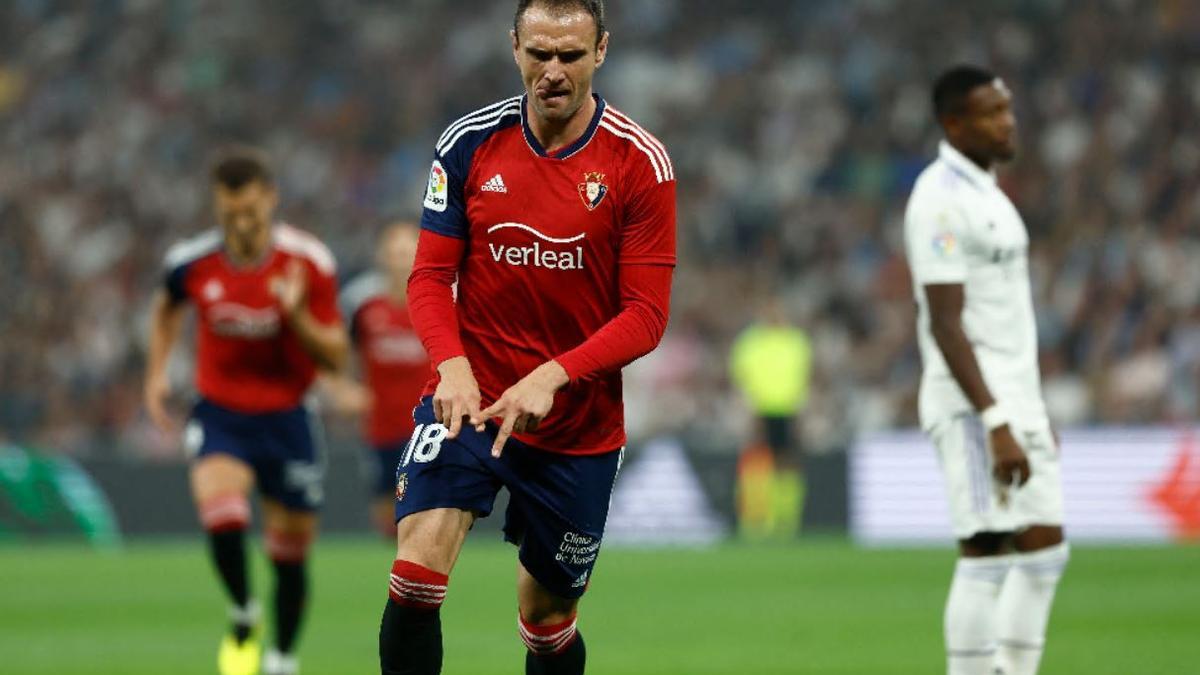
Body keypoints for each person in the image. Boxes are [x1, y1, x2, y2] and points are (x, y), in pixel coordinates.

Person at [376, 1, 676, 673]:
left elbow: (646, 315)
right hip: (470, 401)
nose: (553, 71)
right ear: (514, 47)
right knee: (416, 572)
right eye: (539, 53)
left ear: (601, 52)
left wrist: (552, 375)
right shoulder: (467, 144)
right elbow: (428, 277)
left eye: (570, 55)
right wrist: (450, 364)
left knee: (546, 621)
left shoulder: (640, 164)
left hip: (575, 428)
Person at [144, 148, 348, 675]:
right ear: (217, 206)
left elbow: (335, 356)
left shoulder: (310, 262)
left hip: (288, 418)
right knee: (222, 515)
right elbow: (167, 306)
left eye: (251, 212)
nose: (241, 224)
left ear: (271, 201)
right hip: (221, 414)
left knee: (289, 555)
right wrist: (156, 372)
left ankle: (281, 656)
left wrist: (296, 314)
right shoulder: (190, 262)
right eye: (230, 212)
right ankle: (242, 608)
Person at [903, 65, 1069, 675]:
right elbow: (945, 321)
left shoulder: (985, 191)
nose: (1008, 123)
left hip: (1015, 401)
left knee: (1046, 553)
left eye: (1008, 109)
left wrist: (1029, 410)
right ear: (954, 123)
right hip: (974, 405)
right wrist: (996, 418)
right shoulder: (939, 199)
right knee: (987, 554)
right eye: (992, 113)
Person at [327, 221, 430, 538]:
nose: (400, 260)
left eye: (406, 252)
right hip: (380, 425)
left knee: (426, 512)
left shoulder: (440, 298)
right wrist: (342, 389)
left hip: (429, 425)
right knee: (388, 517)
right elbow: (332, 349)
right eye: (393, 252)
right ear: (381, 256)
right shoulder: (361, 303)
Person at [729, 297, 812, 540]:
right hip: (758, 409)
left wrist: (802, 409)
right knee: (756, 461)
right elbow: (739, 378)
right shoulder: (750, 342)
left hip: (789, 409)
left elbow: (805, 377)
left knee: (787, 462)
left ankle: (786, 520)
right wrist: (747, 407)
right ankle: (756, 519)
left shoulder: (797, 341)